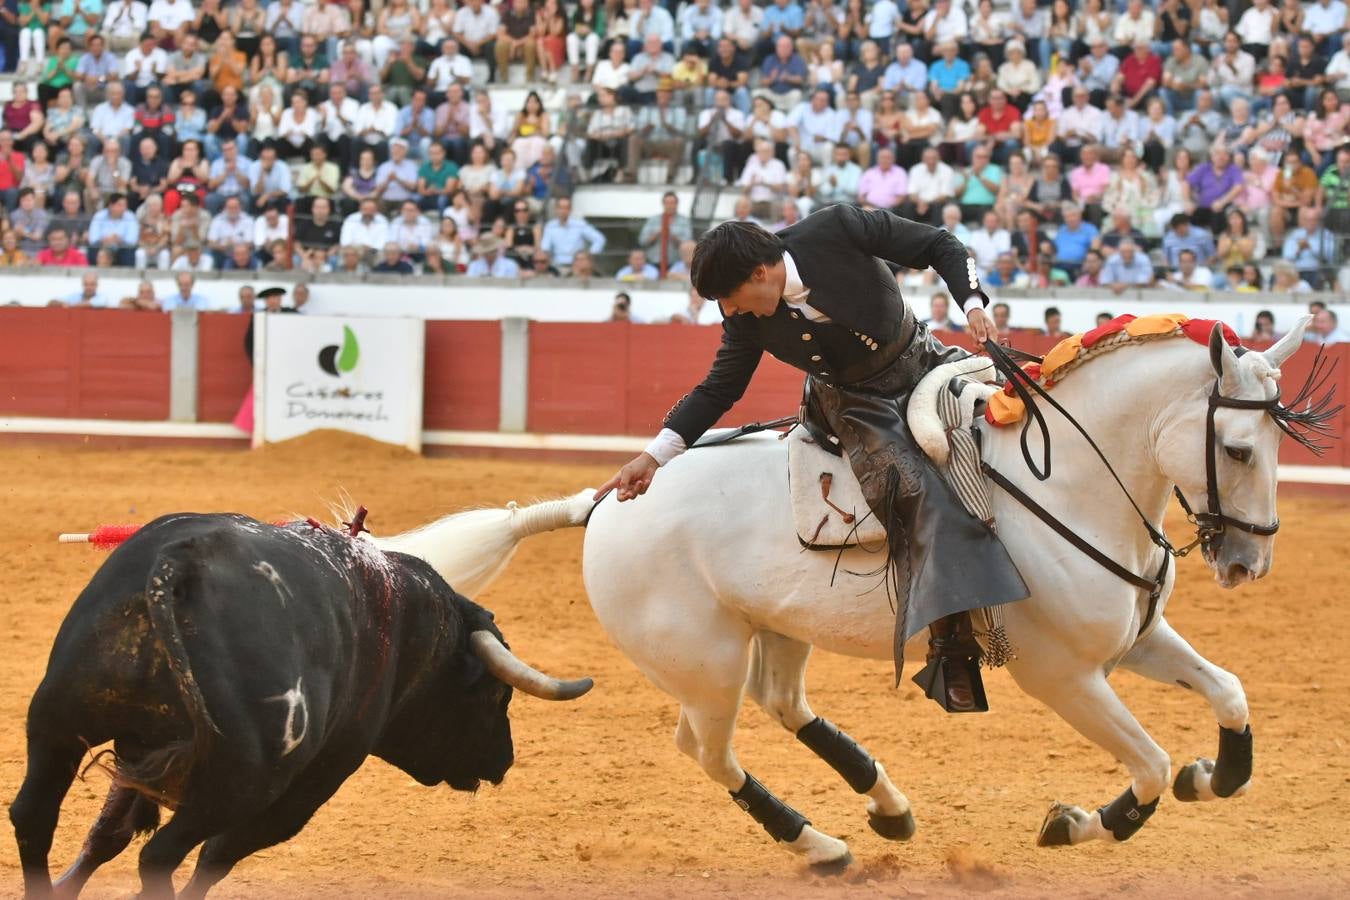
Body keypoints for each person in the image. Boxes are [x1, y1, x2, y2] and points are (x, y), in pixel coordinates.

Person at [594, 207, 1024, 714]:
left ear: (760, 273)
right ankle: (952, 646)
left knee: (1020, 413)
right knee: (913, 490)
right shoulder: (747, 319)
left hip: (920, 357)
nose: (729, 314)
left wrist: (971, 302)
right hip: (856, 404)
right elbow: (719, 389)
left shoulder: (836, 228)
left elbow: (939, 244)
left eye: (730, 302)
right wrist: (654, 456)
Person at [638, 191, 692, 277]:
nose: (670, 206)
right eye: (667, 203)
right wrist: (658, 233)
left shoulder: (684, 221)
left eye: (672, 203)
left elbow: (688, 244)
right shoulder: (653, 220)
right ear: (663, 204)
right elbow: (642, 240)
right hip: (654, 262)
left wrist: (671, 234)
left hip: (676, 263)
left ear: (677, 204)